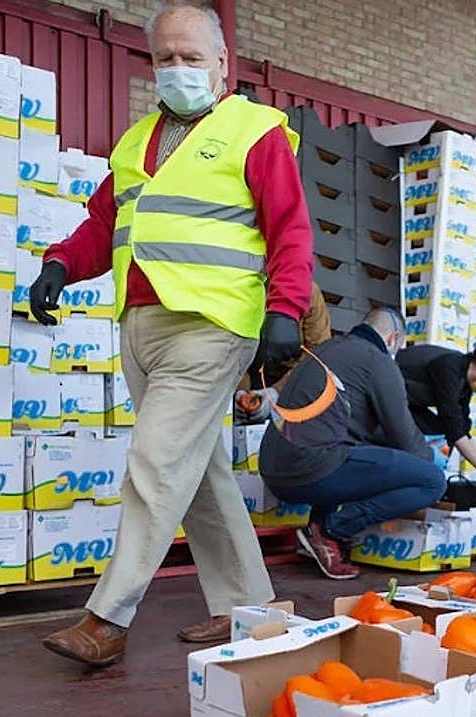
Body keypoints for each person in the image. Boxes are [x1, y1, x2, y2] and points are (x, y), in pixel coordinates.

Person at [32, 0, 312, 666]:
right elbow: (105, 225)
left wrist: (286, 309)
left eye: (192, 57)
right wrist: (59, 265)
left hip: (211, 326)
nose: (178, 69)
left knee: (156, 465)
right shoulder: (135, 144)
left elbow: (290, 227)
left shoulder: (254, 131)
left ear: (222, 62)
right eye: (165, 58)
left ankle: (107, 618)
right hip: (141, 328)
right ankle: (254, 607)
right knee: (201, 471)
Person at [259, 308, 447, 580]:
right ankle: (329, 530)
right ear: (393, 339)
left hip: (273, 471)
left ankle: (316, 533)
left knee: (346, 449)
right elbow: (406, 438)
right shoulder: (378, 361)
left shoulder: (328, 349)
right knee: (431, 481)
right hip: (311, 470)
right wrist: (431, 457)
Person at [396, 335, 476, 479]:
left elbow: (462, 427)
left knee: (441, 431)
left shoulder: (464, 383)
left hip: (407, 401)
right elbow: (453, 426)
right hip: (385, 394)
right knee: (443, 430)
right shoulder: (449, 367)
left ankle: (430, 475)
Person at [234, 279, 331, 424]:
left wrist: (277, 391)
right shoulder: (244, 287)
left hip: (296, 380)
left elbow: (318, 352)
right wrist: (240, 391)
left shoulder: (309, 292)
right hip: (250, 374)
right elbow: (237, 345)